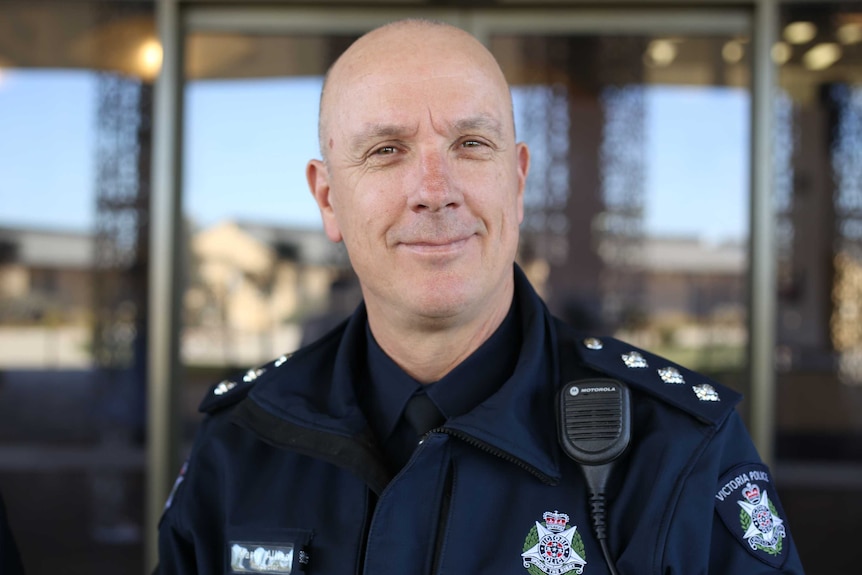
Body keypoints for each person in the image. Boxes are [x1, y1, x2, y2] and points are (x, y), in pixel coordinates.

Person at [156, 19, 804, 575]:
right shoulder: (243, 442)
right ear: (328, 198)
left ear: (517, 180)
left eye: (470, 144)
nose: (434, 190)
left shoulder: (676, 449)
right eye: (386, 150)